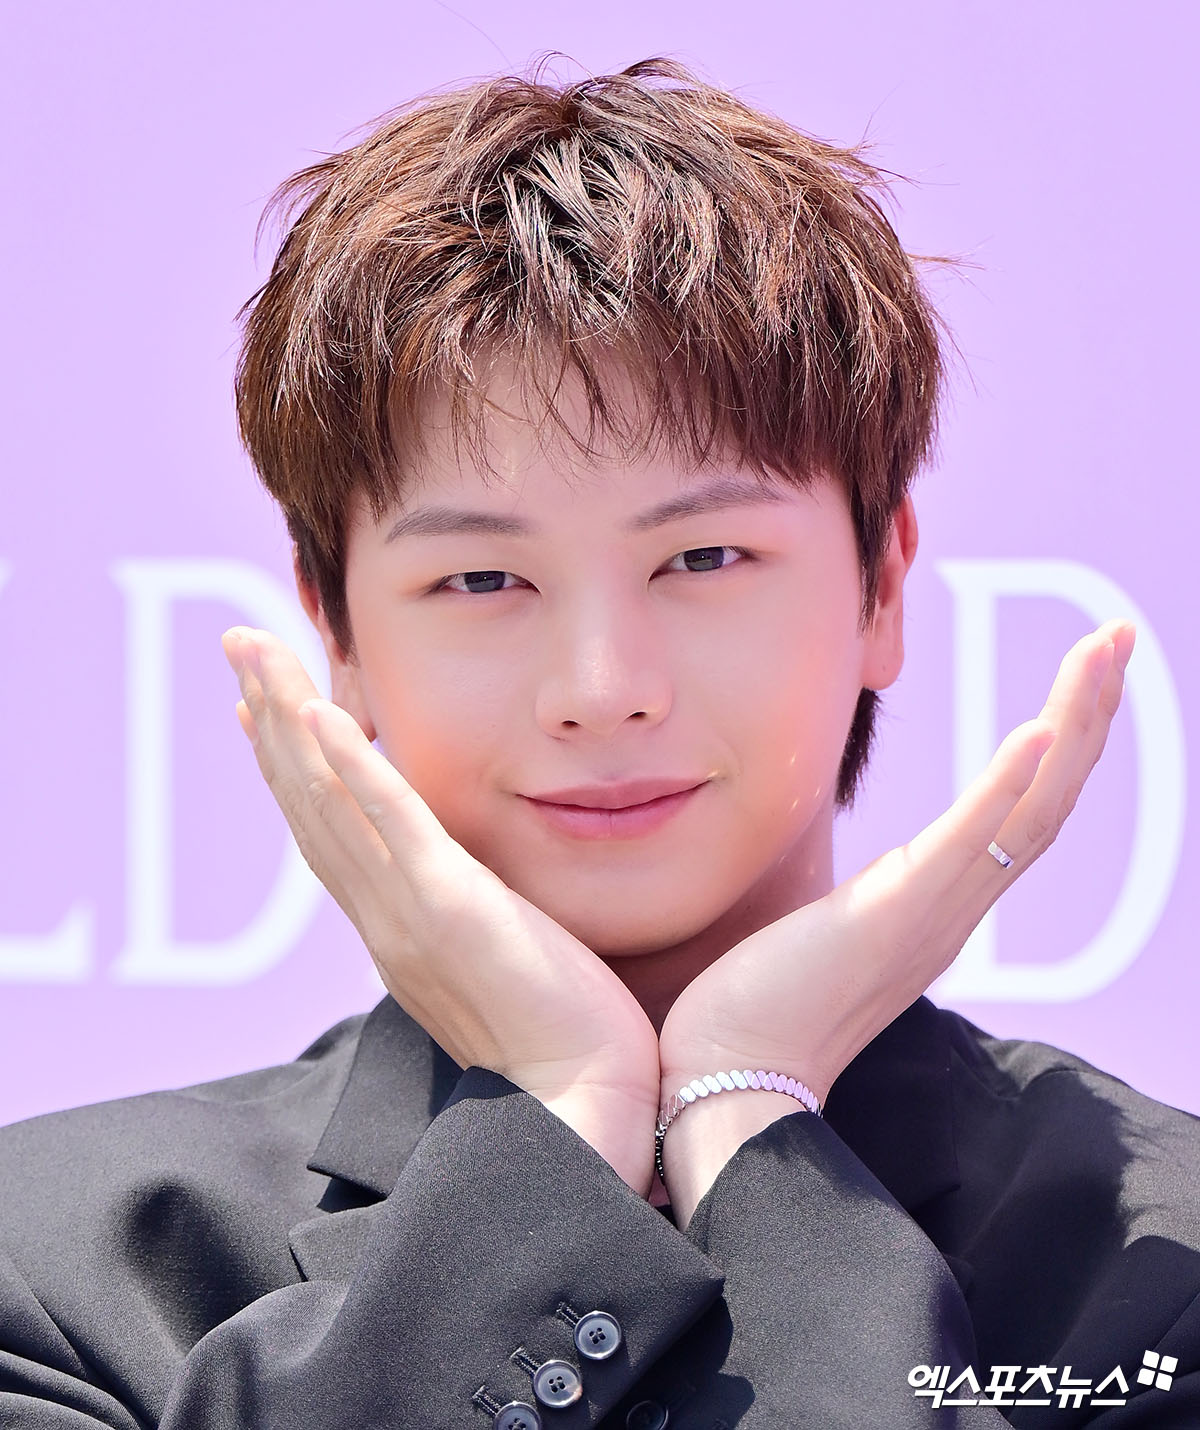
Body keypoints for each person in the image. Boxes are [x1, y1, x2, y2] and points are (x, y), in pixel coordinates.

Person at [1, 54, 1195, 1430]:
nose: (602, 689)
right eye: (482, 579)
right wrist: (564, 1122)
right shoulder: (63, 1274)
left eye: (703, 557)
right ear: (336, 630)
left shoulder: (1159, 1270)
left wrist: (750, 1110)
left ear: (880, 586)